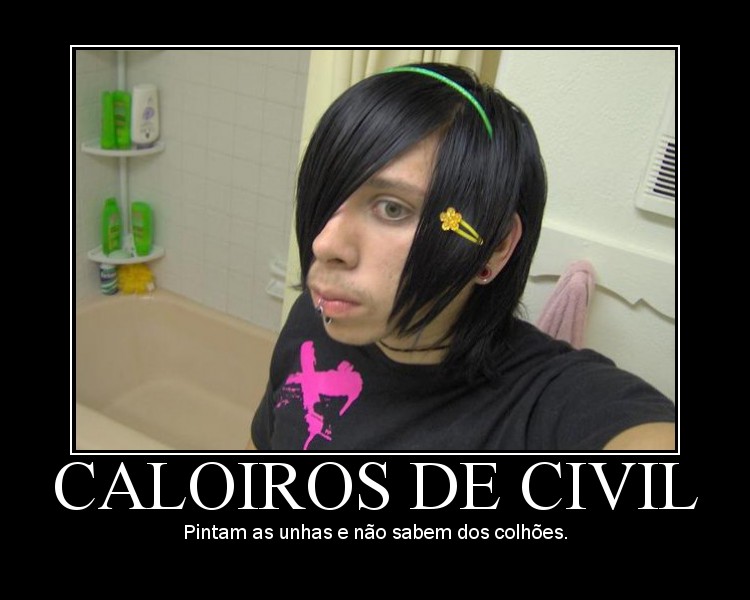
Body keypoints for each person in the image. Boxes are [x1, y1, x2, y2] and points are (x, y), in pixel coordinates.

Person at [249, 63, 675, 451]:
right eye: (328, 196)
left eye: (392, 208)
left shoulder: (546, 404)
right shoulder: (315, 316)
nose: (324, 245)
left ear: (494, 246)